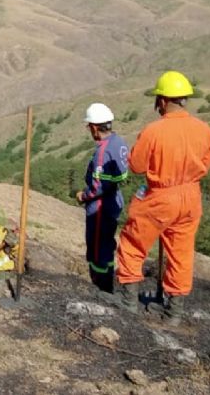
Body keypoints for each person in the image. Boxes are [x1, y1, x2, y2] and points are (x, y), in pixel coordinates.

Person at [115, 70, 210, 326]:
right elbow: (207, 162)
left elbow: (136, 166)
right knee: (181, 253)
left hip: (160, 196)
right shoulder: (203, 129)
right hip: (191, 195)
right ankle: (174, 313)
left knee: (132, 244)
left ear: (161, 101)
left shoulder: (154, 130)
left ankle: (128, 303)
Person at [75, 103, 129, 294]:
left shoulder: (102, 152)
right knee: (107, 243)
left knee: (97, 247)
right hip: (114, 199)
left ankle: (101, 288)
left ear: (94, 127)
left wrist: (84, 195)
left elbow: (98, 186)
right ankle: (107, 283)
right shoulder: (120, 143)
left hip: (99, 205)